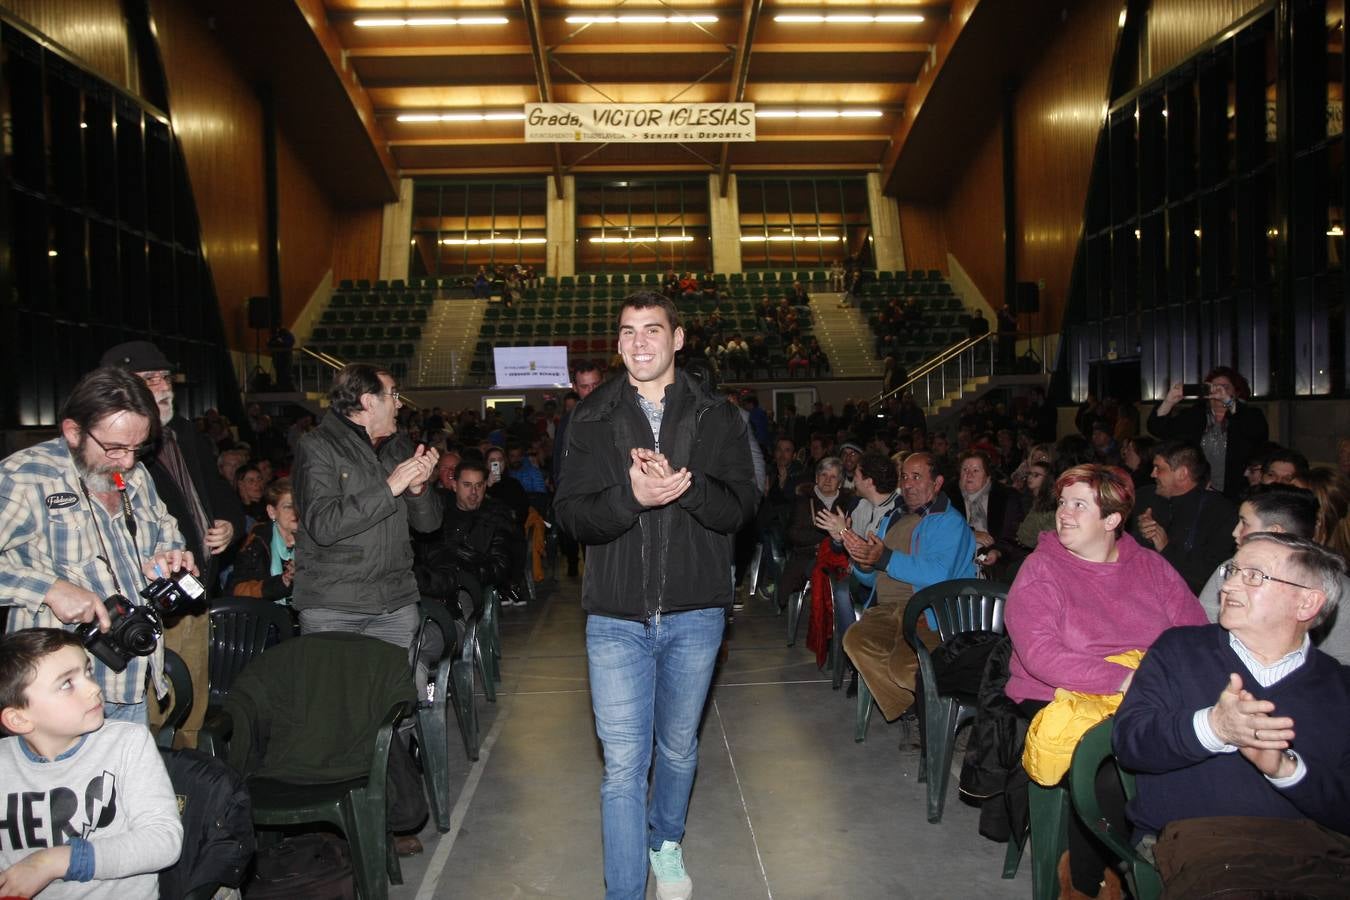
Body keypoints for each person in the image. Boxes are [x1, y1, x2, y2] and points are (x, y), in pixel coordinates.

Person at [554, 291, 757, 900]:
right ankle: (624, 892)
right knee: (621, 768)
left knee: (675, 749)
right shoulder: (589, 419)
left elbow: (740, 508)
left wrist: (682, 488)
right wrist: (632, 499)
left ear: (678, 339)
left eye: (651, 330)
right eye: (626, 332)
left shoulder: (718, 414)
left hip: (696, 614)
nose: (638, 342)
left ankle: (665, 841)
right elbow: (570, 516)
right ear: (617, 344)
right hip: (614, 617)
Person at [1004, 463, 1208, 896]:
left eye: (1079, 505)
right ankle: (1089, 882)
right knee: (1112, 773)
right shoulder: (1042, 570)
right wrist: (1122, 679)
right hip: (1057, 694)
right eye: (1062, 502)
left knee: (1206, 754)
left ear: (1113, 519)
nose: (1064, 513)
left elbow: (1193, 632)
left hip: (1144, 690)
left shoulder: (1150, 568)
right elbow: (1041, 655)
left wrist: (1156, 681)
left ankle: (1182, 867)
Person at [1114, 533, 1350, 855]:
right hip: (1194, 846)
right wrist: (1213, 728)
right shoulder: (1180, 650)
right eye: (1232, 571)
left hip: (1310, 854)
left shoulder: (1339, 687)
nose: (1227, 587)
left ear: (1307, 602)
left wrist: (1286, 770)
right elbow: (1130, 744)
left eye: (1253, 576)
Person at [0, 368, 195, 723]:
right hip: (57, 696)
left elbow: (167, 530)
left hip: (133, 678)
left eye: (138, 447)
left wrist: (167, 556)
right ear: (74, 432)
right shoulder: (25, 478)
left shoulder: (134, 473)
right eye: (115, 448)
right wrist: (48, 589)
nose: (128, 461)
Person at [99, 340, 243, 748]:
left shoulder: (181, 432)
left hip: (192, 596)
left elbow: (217, 491)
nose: (162, 386)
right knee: (144, 718)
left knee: (190, 707)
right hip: (140, 606)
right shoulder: (112, 452)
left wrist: (229, 524)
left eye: (165, 377)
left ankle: (187, 797)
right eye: (149, 379)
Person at [0, 629, 183, 899]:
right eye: (66, 684)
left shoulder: (127, 742)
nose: (94, 688)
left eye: (87, 672)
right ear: (19, 720)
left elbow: (163, 840)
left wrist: (55, 861)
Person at [291, 364, 441, 645]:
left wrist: (417, 489)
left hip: (395, 602)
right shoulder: (317, 446)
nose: (399, 403)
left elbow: (429, 525)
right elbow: (324, 525)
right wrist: (389, 488)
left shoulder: (399, 447)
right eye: (393, 395)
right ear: (369, 402)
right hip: (334, 604)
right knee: (338, 690)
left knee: (399, 687)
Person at [839, 452, 979, 723]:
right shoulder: (894, 516)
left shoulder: (949, 523)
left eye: (917, 477)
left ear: (937, 483)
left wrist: (885, 558)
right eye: (904, 476)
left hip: (927, 612)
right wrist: (865, 564)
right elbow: (871, 578)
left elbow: (938, 576)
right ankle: (912, 708)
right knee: (855, 641)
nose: (908, 484)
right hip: (887, 610)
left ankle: (928, 713)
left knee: (903, 669)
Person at [1193, 484, 1349, 664]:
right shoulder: (1229, 570)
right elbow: (1202, 628)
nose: (1235, 532)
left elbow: (1343, 670)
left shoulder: (1337, 589)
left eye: (1244, 523)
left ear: (1274, 533)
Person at [1131, 441, 1238, 594]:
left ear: (1182, 474)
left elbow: (1211, 576)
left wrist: (1166, 548)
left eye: (1159, 468)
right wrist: (1142, 535)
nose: (1152, 474)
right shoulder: (1145, 497)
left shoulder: (1219, 511)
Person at [1147, 368, 1268, 500]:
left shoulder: (1248, 415)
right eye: (1213, 387)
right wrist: (1169, 401)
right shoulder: (1195, 415)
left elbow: (1258, 432)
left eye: (1225, 387)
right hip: (1197, 492)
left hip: (1236, 492)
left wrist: (1228, 401)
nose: (1218, 391)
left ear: (1236, 391)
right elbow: (1157, 428)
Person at [415, 458, 519, 612]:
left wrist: (460, 566)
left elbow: (500, 566)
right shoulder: (438, 513)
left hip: (468, 591)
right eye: (467, 485)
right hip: (428, 587)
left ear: (485, 486)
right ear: (455, 486)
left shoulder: (495, 518)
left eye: (479, 485)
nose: (474, 492)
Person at [776, 458, 855, 612]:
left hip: (842, 556)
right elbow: (792, 534)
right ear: (817, 478)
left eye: (833, 477)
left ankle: (838, 616)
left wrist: (837, 535)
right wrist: (830, 535)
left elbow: (853, 531)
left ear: (840, 482)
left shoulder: (849, 502)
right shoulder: (803, 500)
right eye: (824, 475)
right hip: (807, 555)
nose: (827, 480)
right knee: (821, 572)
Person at [225, 477, 298, 603]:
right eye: (288, 507)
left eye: (300, 506)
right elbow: (235, 589)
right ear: (272, 512)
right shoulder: (259, 539)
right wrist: (283, 581)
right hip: (267, 615)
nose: (296, 512)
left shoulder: (315, 539)